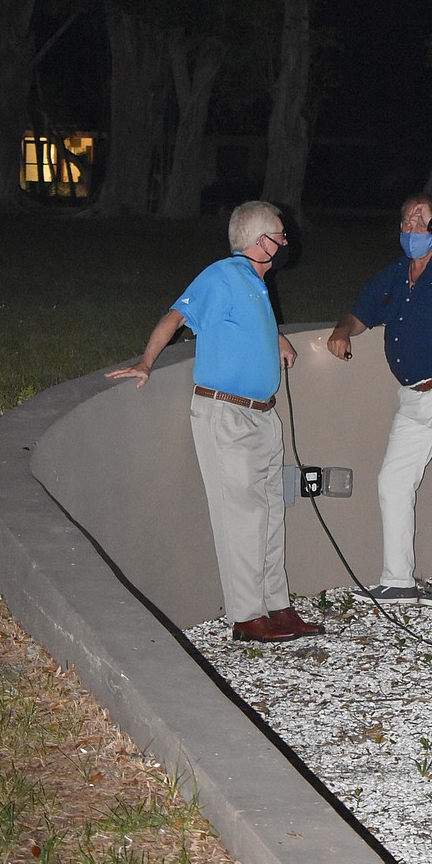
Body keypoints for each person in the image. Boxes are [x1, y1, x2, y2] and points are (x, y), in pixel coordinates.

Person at [106, 200, 322, 644]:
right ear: (260, 242)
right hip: (227, 415)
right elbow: (176, 316)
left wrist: (277, 338)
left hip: (263, 415)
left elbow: (246, 326)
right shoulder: (222, 275)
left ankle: (277, 607)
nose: (286, 242)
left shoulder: (256, 283)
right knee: (241, 517)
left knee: (271, 514)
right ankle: (247, 617)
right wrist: (146, 361)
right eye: (280, 235)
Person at [327, 193, 432, 609]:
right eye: (407, 221)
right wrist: (343, 330)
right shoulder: (396, 273)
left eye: (422, 221)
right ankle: (398, 580)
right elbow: (361, 312)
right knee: (393, 481)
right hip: (414, 396)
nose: (412, 228)